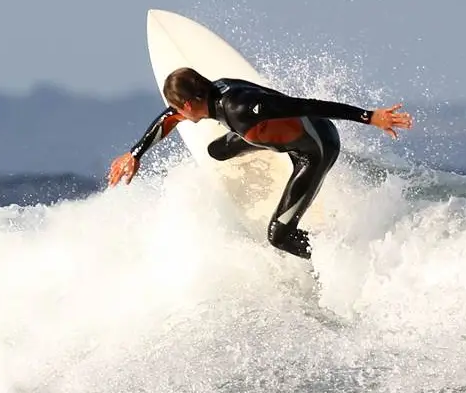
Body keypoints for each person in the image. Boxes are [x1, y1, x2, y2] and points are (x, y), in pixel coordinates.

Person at [107, 67, 413, 259]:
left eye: (179, 110)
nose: (177, 116)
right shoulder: (213, 90)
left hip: (314, 148)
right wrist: (135, 154)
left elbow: (307, 105)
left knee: (278, 236)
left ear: (189, 104)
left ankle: (338, 259)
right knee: (218, 150)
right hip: (264, 135)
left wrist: (369, 117)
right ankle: (259, 146)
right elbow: (168, 118)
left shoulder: (241, 107)